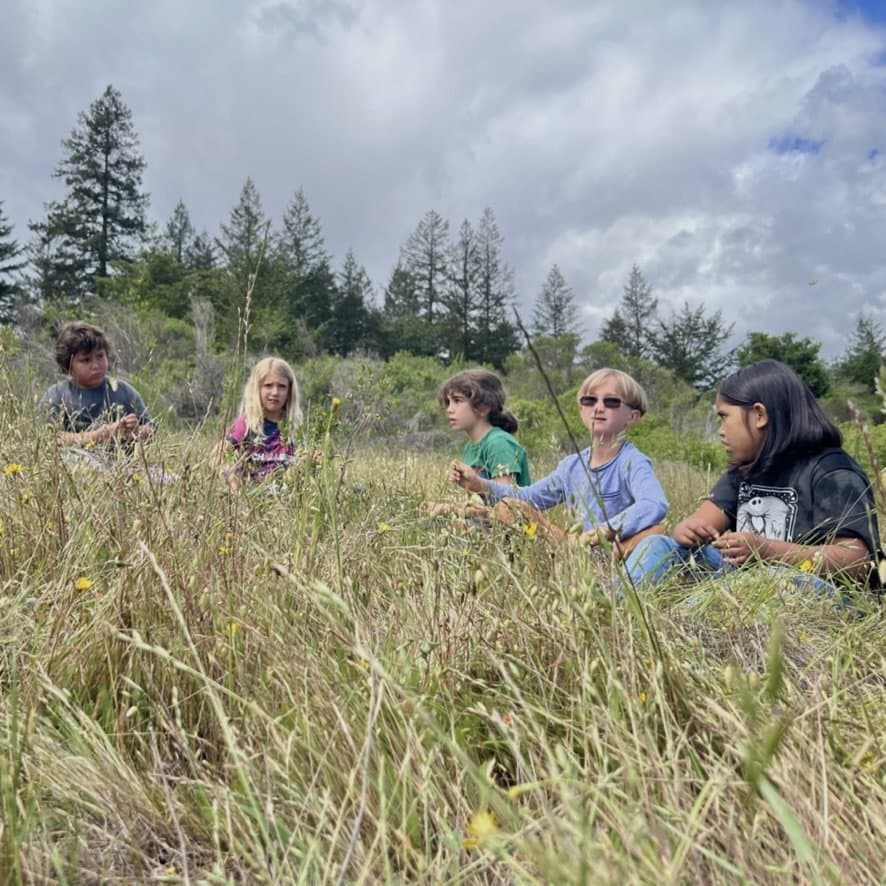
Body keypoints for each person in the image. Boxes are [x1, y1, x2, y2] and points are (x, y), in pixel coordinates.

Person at [623, 359, 883, 595]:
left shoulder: (832, 471)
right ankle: (615, 606)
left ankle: (682, 623)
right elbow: (698, 522)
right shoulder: (747, 468)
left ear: (759, 415)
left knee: (773, 576)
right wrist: (685, 530)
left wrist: (766, 551)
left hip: (815, 590)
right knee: (658, 544)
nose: (721, 431)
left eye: (725, 418)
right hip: (744, 580)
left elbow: (857, 560)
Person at [449, 368, 668, 557]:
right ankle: (560, 558)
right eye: (589, 400)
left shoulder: (632, 461)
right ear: (581, 410)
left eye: (611, 402)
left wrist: (602, 532)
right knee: (510, 508)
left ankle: (603, 567)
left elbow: (654, 503)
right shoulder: (571, 466)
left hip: (615, 549)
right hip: (572, 548)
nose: (598, 407)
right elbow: (530, 498)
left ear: (632, 417)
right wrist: (481, 484)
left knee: (657, 532)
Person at [40, 321, 154, 466]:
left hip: (122, 468)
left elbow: (151, 431)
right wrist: (99, 435)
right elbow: (48, 439)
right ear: (68, 364)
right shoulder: (56, 395)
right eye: (85, 360)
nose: (95, 365)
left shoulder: (123, 391)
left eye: (100, 356)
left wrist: (136, 430)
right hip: (78, 465)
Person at [212, 356, 304, 489]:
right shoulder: (245, 425)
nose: (275, 392)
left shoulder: (295, 427)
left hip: (285, 500)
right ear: (256, 389)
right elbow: (216, 457)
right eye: (268, 386)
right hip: (253, 500)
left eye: (282, 387)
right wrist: (234, 480)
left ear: (290, 391)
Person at [438, 369, 531, 487]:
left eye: (457, 400)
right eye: (448, 402)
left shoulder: (499, 444)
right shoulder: (470, 447)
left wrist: (477, 483)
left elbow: (506, 497)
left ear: (483, 407)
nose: (449, 409)